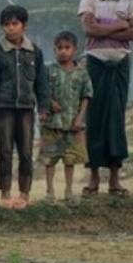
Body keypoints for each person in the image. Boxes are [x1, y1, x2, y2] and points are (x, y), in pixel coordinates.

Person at [77, 0, 133, 197]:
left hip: (119, 65)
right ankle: (93, 178)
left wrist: (102, 31)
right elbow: (88, 28)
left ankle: (115, 179)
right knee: (94, 119)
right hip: (95, 64)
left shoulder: (130, 1)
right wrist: (120, 25)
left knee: (116, 119)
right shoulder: (89, 0)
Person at [0, 5, 50, 209]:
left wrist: (44, 107)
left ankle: (24, 192)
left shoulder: (35, 52)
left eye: (15, 24)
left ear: (24, 26)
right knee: (4, 151)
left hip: (26, 109)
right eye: (6, 24)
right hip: (3, 108)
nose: (10, 28)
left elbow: (42, 82)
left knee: (26, 151)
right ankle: (5, 192)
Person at [41, 31, 93, 203]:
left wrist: (80, 118)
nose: (63, 51)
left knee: (69, 160)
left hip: (72, 124)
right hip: (52, 124)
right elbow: (42, 91)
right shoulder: (48, 71)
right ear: (54, 50)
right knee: (50, 159)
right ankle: (49, 191)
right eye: (59, 48)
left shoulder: (82, 73)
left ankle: (69, 191)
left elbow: (86, 96)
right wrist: (49, 102)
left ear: (75, 50)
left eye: (67, 48)